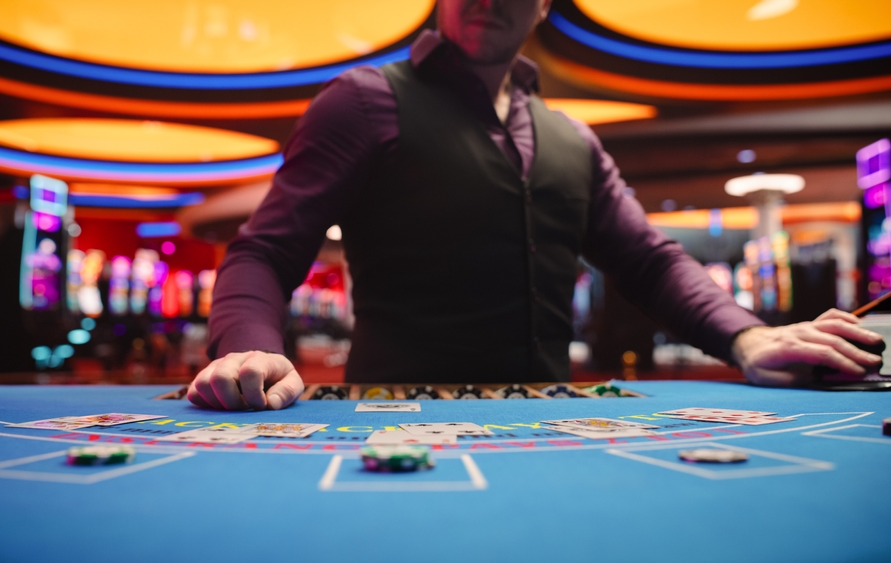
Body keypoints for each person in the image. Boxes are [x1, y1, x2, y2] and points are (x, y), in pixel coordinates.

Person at [187, 0, 882, 411]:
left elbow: (649, 259)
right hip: (394, 422)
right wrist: (249, 349)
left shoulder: (572, 138)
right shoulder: (363, 101)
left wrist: (747, 337)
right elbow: (265, 251)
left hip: (547, 424)